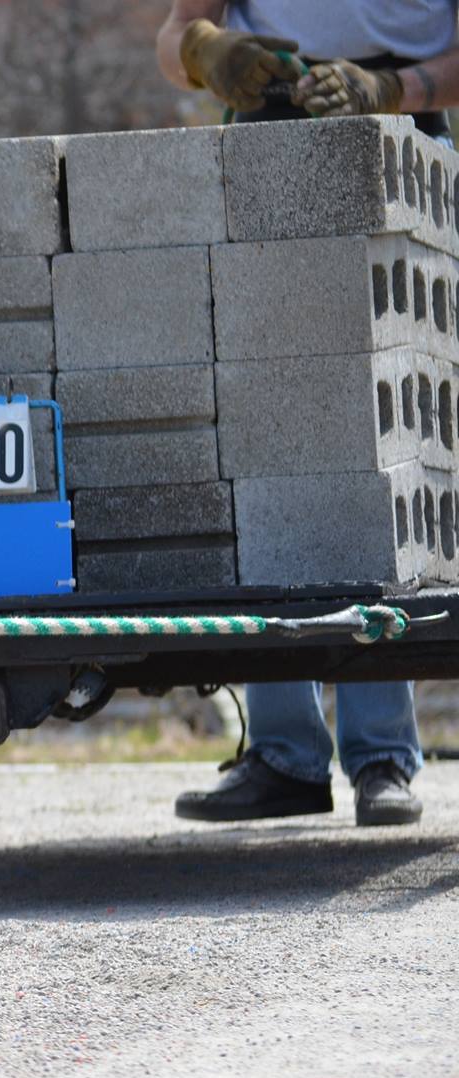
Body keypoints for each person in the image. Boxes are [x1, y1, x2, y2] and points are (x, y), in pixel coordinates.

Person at [157, 0, 459, 828]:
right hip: (265, 137)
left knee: (384, 446)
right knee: (269, 440)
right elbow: (174, 35)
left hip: (401, 144)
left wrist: (389, 86)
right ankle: (285, 754)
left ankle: (382, 758)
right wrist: (207, 50)